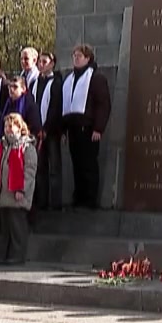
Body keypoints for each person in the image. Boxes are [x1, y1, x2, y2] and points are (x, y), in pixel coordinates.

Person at [60, 44, 112, 210]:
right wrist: (63, 130)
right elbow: (65, 105)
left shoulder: (96, 78)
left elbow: (103, 105)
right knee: (76, 164)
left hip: (88, 129)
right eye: (74, 55)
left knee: (89, 164)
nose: (76, 58)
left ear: (88, 58)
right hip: (73, 128)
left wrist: (98, 128)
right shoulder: (70, 78)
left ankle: (90, 199)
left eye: (79, 56)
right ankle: (79, 197)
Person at [0, 113, 38, 266]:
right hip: (3, 193)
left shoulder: (27, 147)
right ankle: (5, 255)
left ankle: (17, 255)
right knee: (6, 228)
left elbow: (29, 171)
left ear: (19, 127)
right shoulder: (1, 147)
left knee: (17, 227)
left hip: (17, 194)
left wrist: (21, 189)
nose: (8, 129)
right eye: (6, 126)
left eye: (11, 126)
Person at [32, 52, 64, 212]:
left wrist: (46, 128)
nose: (41, 64)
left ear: (52, 63)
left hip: (51, 132)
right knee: (40, 167)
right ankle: (42, 201)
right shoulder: (36, 82)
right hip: (37, 132)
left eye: (44, 61)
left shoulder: (57, 82)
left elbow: (55, 108)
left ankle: (56, 202)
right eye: (39, 61)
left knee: (54, 167)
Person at [0, 77, 43, 143]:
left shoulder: (30, 105)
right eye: (10, 87)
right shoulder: (7, 104)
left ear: (23, 89)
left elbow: (36, 129)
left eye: (15, 87)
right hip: (7, 142)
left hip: (24, 143)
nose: (11, 89)